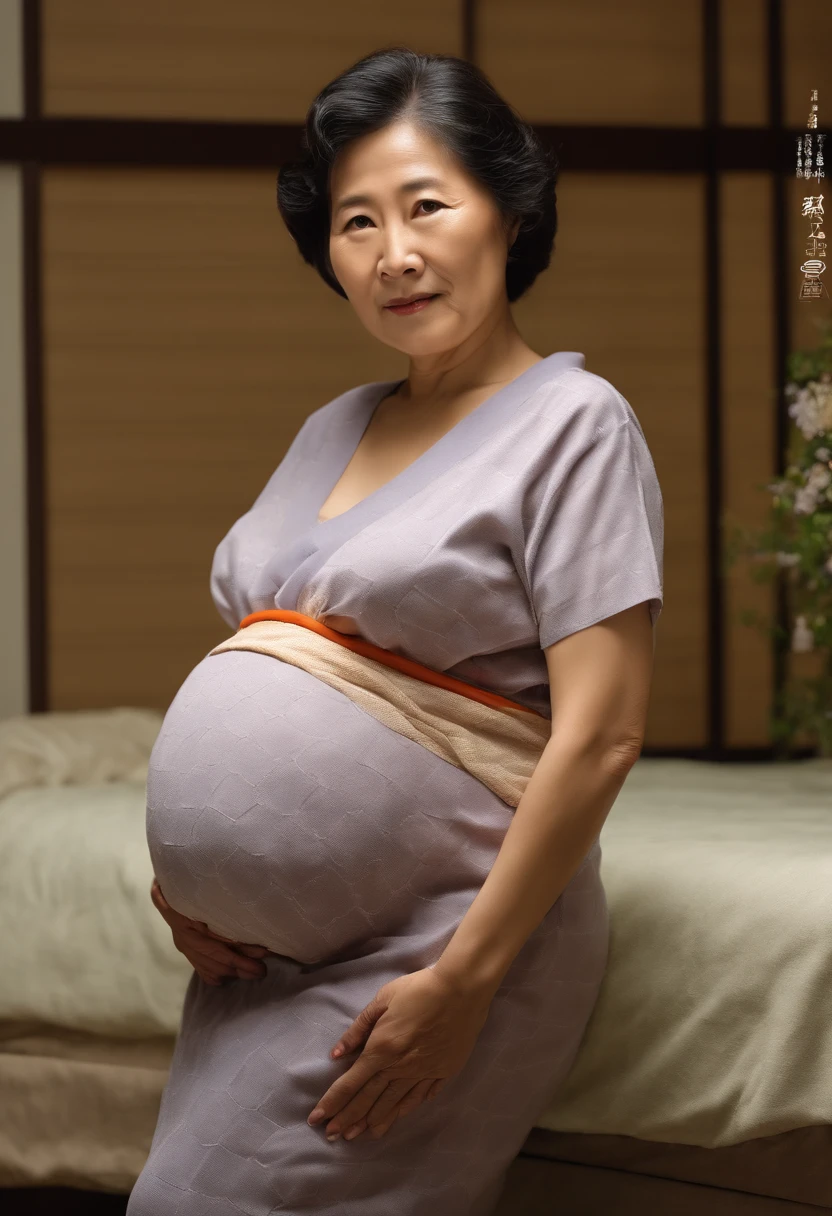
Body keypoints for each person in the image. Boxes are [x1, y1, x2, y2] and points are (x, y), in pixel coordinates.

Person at [127, 46, 663, 1216]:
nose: (394, 253)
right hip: (255, 971)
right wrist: (192, 882)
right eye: (355, 222)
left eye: (426, 205)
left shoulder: (574, 422)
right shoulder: (333, 423)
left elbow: (605, 733)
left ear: (510, 211)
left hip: (438, 947)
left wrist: (465, 981)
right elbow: (274, 663)